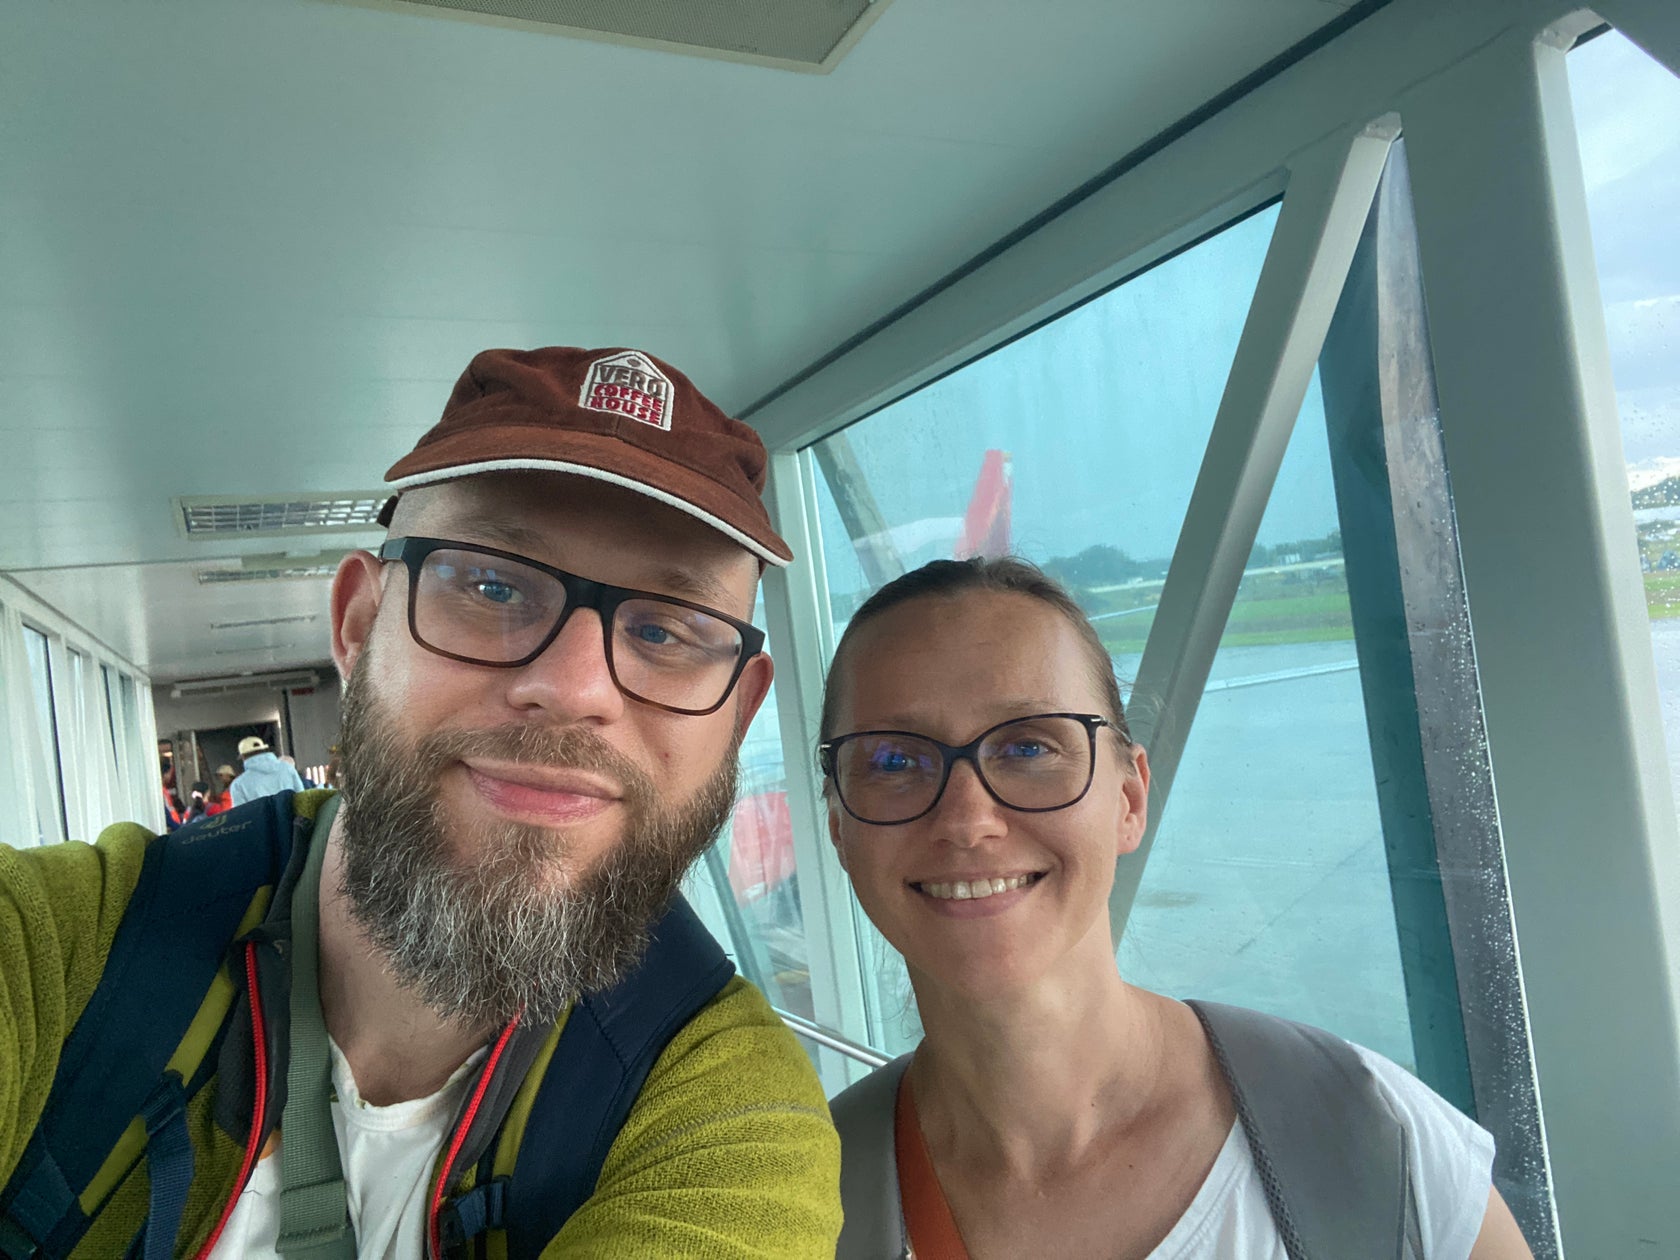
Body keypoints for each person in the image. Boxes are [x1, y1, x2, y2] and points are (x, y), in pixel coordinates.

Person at [1, 346, 840, 1258]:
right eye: (493, 586)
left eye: (668, 633)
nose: (574, 688)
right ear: (359, 626)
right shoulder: (62, 947)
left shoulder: (732, 1118)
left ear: (739, 713)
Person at [819, 556, 1533, 1260]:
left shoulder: (1377, 1144)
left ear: (1129, 800)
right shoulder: (803, 1204)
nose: (967, 820)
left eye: (1029, 747)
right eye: (892, 761)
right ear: (838, 829)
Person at [229, 734, 307, 804]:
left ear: (243, 757)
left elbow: (241, 813)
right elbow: (302, 798)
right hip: (291, 815)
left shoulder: (238, 785)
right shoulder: (287, 768)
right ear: (264, 750)